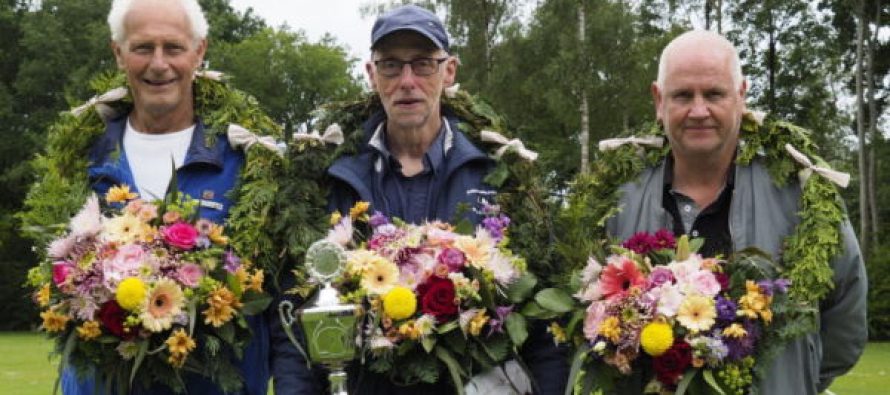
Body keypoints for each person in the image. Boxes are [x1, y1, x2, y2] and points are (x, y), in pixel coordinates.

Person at [270, 5, 568, 394]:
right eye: (391, 65)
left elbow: (543, 324)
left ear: (449, 71)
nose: (407, 80)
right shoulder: (329, 181)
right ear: (372, 74)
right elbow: (296, 318)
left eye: (423, 64)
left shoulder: (501, 177)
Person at [604, 30, 867, 394]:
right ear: (659, 100)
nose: (699, 111)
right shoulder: (618, 199)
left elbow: (846, 311)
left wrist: (791, 377)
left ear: (741, 95)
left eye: (714, 94)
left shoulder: (800, 192)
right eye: (683, 95)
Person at [59, 0, 270, 393]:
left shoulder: (246, 164)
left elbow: (276, 304)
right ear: (118, 53)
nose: (159, 64)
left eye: (173, 47)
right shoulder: (78, 164)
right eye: (142, 48)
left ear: (199, 52)